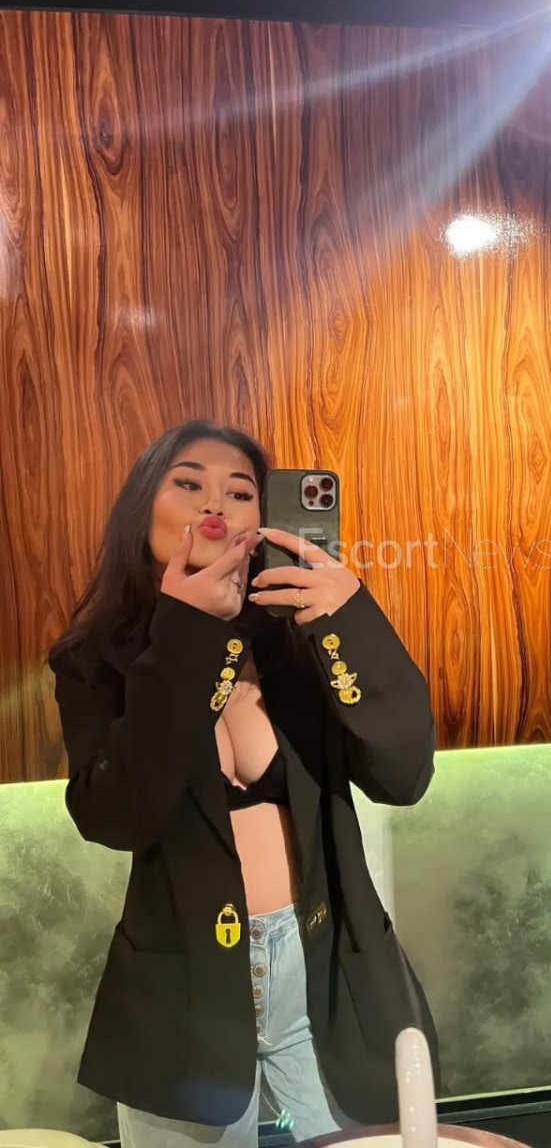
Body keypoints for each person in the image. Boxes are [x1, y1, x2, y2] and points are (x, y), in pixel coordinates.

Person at [48, 419, 440, 1148]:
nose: (214, 505)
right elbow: (116, 816)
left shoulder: (298, 637)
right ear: (143, 508)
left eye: (239, 491)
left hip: (323, 975)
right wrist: (185, 633)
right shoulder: (95, 660)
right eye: (188, 483)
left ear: (263, 518)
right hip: (184, 992)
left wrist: (350, 618)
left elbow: (404, 774)